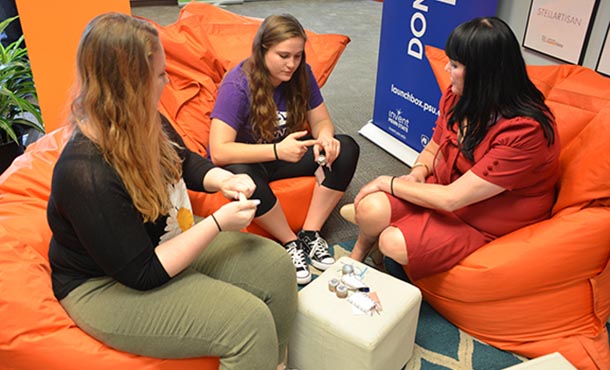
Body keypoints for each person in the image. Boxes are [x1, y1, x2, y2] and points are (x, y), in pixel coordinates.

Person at [47, 13, 297, 370]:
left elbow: (183, 161)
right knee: (247, 323)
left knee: (275, 264)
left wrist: (221, 180)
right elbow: (143, 274)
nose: (168, 81)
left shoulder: (141, 116)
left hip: (159, 238)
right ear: (130, 84)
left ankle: (272, 362)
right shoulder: (84, 173)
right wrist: (215, 223)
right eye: (161, 74)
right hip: (105, 285)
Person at [348, 16, 560, 280]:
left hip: (484, 219)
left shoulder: (526, 131)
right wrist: (418, 171)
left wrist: (386, 182)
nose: (447, 68)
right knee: (370, 209)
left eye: (456, 64)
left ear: (485, 74)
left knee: (392, 241)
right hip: (444, 189)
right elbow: (433, 147)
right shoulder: (458, 96)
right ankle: (357, 256)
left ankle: (388, 245)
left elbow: (452, 199)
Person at [209, 14, 360, 285]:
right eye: (283, 56)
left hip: (287, 153)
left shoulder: (303, 74)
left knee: (346, 147)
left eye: (298, 56)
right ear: (263, 49)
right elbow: (219, 151)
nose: (292, 64)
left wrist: (325, 138)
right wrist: (277, 150)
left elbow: (321, 120)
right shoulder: (237, 85)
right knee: (243, 177)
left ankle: (310, 234)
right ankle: (290, 241)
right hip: (253, 159)